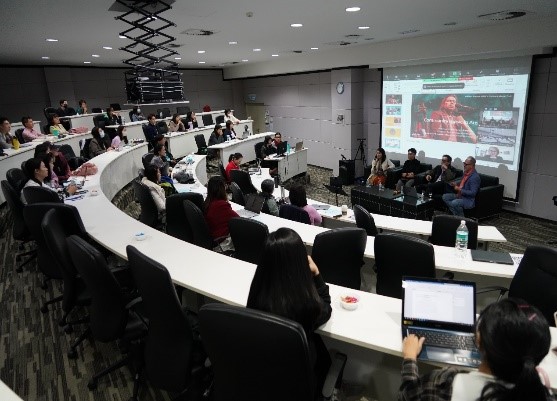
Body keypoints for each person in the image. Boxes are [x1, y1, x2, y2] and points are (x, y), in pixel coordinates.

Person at [399, 298, 553, 401]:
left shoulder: (442, 383)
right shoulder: (545, 395)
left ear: (479, 341)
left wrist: (409, 358)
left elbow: (407, 395)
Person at [247, 228, 332, 392]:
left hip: (262, 379)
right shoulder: (306, 304)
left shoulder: (257, 294)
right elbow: (326, 308)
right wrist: (317, 274)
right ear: (300, 263)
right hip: (298, 385)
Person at [203, 176, 239, 251]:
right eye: (225, 186)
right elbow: (238, 219)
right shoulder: (221, 205)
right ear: (221, 188)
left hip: (214, 237)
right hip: (222, 242)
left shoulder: (208, 202)